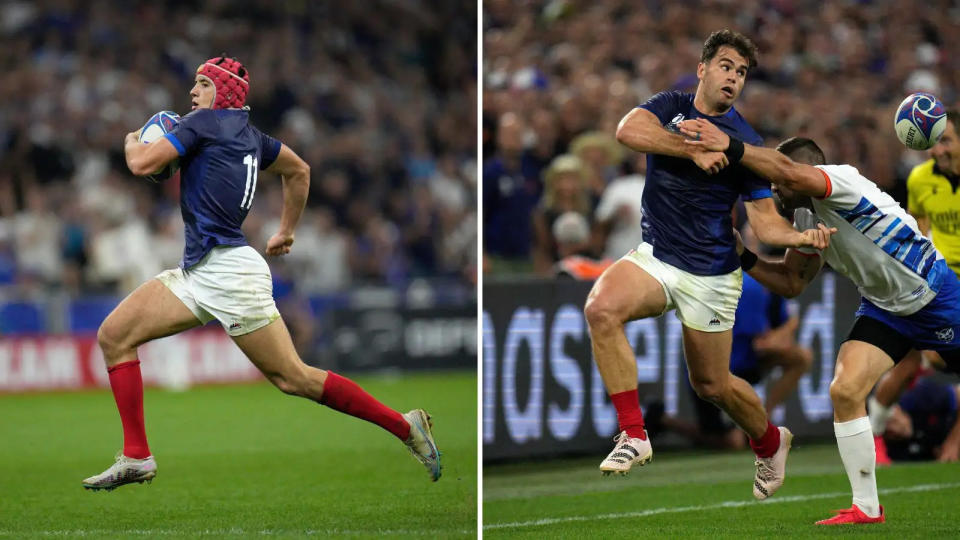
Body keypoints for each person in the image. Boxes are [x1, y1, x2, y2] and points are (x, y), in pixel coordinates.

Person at [82, 56, 441, 491]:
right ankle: (137, 456)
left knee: (294, 378)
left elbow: (140, 164)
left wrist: (132, 139)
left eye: (201, 84)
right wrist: (286, 231)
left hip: (230, 272)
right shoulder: (253, 137)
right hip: (200, 270)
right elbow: (299, 170)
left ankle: (405, 427)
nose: (193, 93)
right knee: (115, 335)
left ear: (221, 92)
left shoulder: (201, 124)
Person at [582, 30, 833, 501]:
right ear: (702, 69)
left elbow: (765, 223)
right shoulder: (669, 105)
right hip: (657, 255)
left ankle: (770, 440)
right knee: (601, 308)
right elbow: (626, 131)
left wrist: (800, 236)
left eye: (741, 72)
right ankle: (634, 434)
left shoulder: (745, 141)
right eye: (725, 66)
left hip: (712, 275)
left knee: (712, 385)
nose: (733, 77)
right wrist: (691, 148)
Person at [678, 117, 960, 524]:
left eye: (779, 181)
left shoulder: (839, 179)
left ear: (806, 172)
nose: (774, 189)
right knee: (845, 390)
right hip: (886, 309)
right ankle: (866, 508)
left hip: (936, 295)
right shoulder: (807, 219)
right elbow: (792, 282)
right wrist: (743, 255)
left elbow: (787, 172)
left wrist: (732, 146)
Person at [868, 109, 960, 463]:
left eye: (947, 140)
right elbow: (919, 233)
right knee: (907, 363)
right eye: (935, 143)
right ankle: (875, 439)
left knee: (928, 359)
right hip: (939, 279)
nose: (938, 150)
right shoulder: (920, 179)